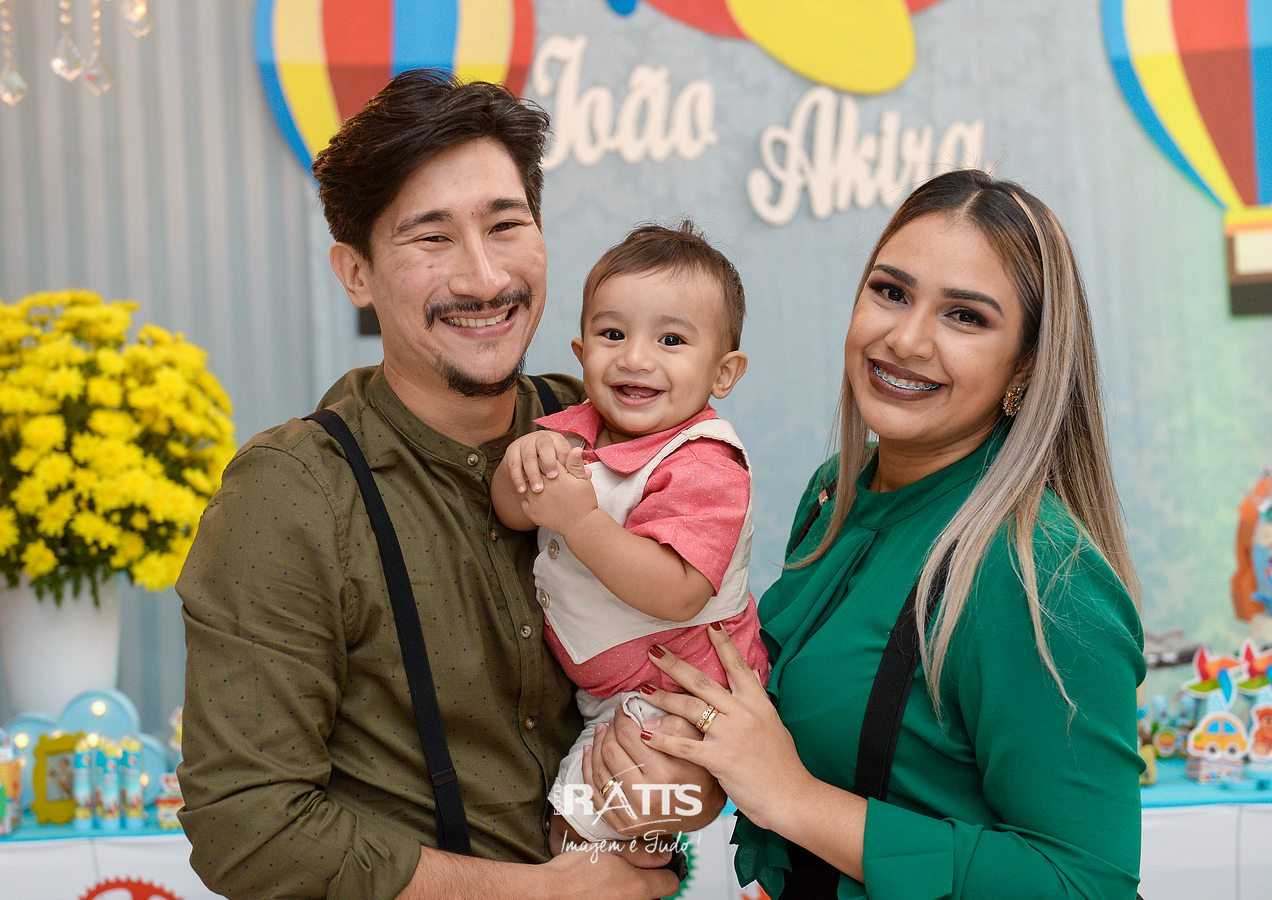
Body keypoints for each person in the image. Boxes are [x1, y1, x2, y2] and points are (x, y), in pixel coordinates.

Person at [176, 69, 713, 899]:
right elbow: (247, 828)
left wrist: (687, 796)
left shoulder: (624, 435)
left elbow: (711, 683)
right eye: (431, 238)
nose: (484, 278)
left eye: (506, 225)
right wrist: (551, 893)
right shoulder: (293, 495)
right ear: (355, 273)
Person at [632, 169, 1147, 897]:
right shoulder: (835, 495)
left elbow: (1087, 884)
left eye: (964, 316)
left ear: (1027, 364)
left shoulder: (1037, 575)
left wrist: (793, 799)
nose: (905, 339)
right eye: (891, 292)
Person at [490, 222, 769, 843]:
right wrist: (521, 466)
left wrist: (580, 521)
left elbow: (678, 591)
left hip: (683, 696)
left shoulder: (705, 464)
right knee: (575, 833)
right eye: (612, 334)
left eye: (671, 340)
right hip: (609, 696)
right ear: (580, 352)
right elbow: (512, 513)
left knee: (586, 826)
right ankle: (627, 864)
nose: (635, 358)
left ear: (723, 373)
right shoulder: (568, 432)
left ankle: (633, 861)